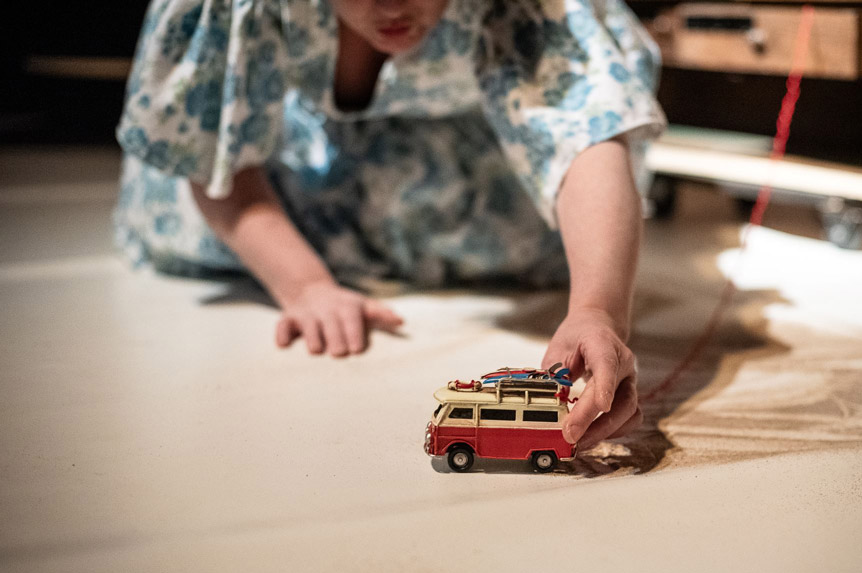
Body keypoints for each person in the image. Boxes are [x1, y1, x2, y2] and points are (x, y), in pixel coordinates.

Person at [114, 0, 666, 449]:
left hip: (461, 165)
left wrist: (597, 309)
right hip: (278, 184)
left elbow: (584, 135)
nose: (392, 6)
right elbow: (214, 151)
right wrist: (304, 286)